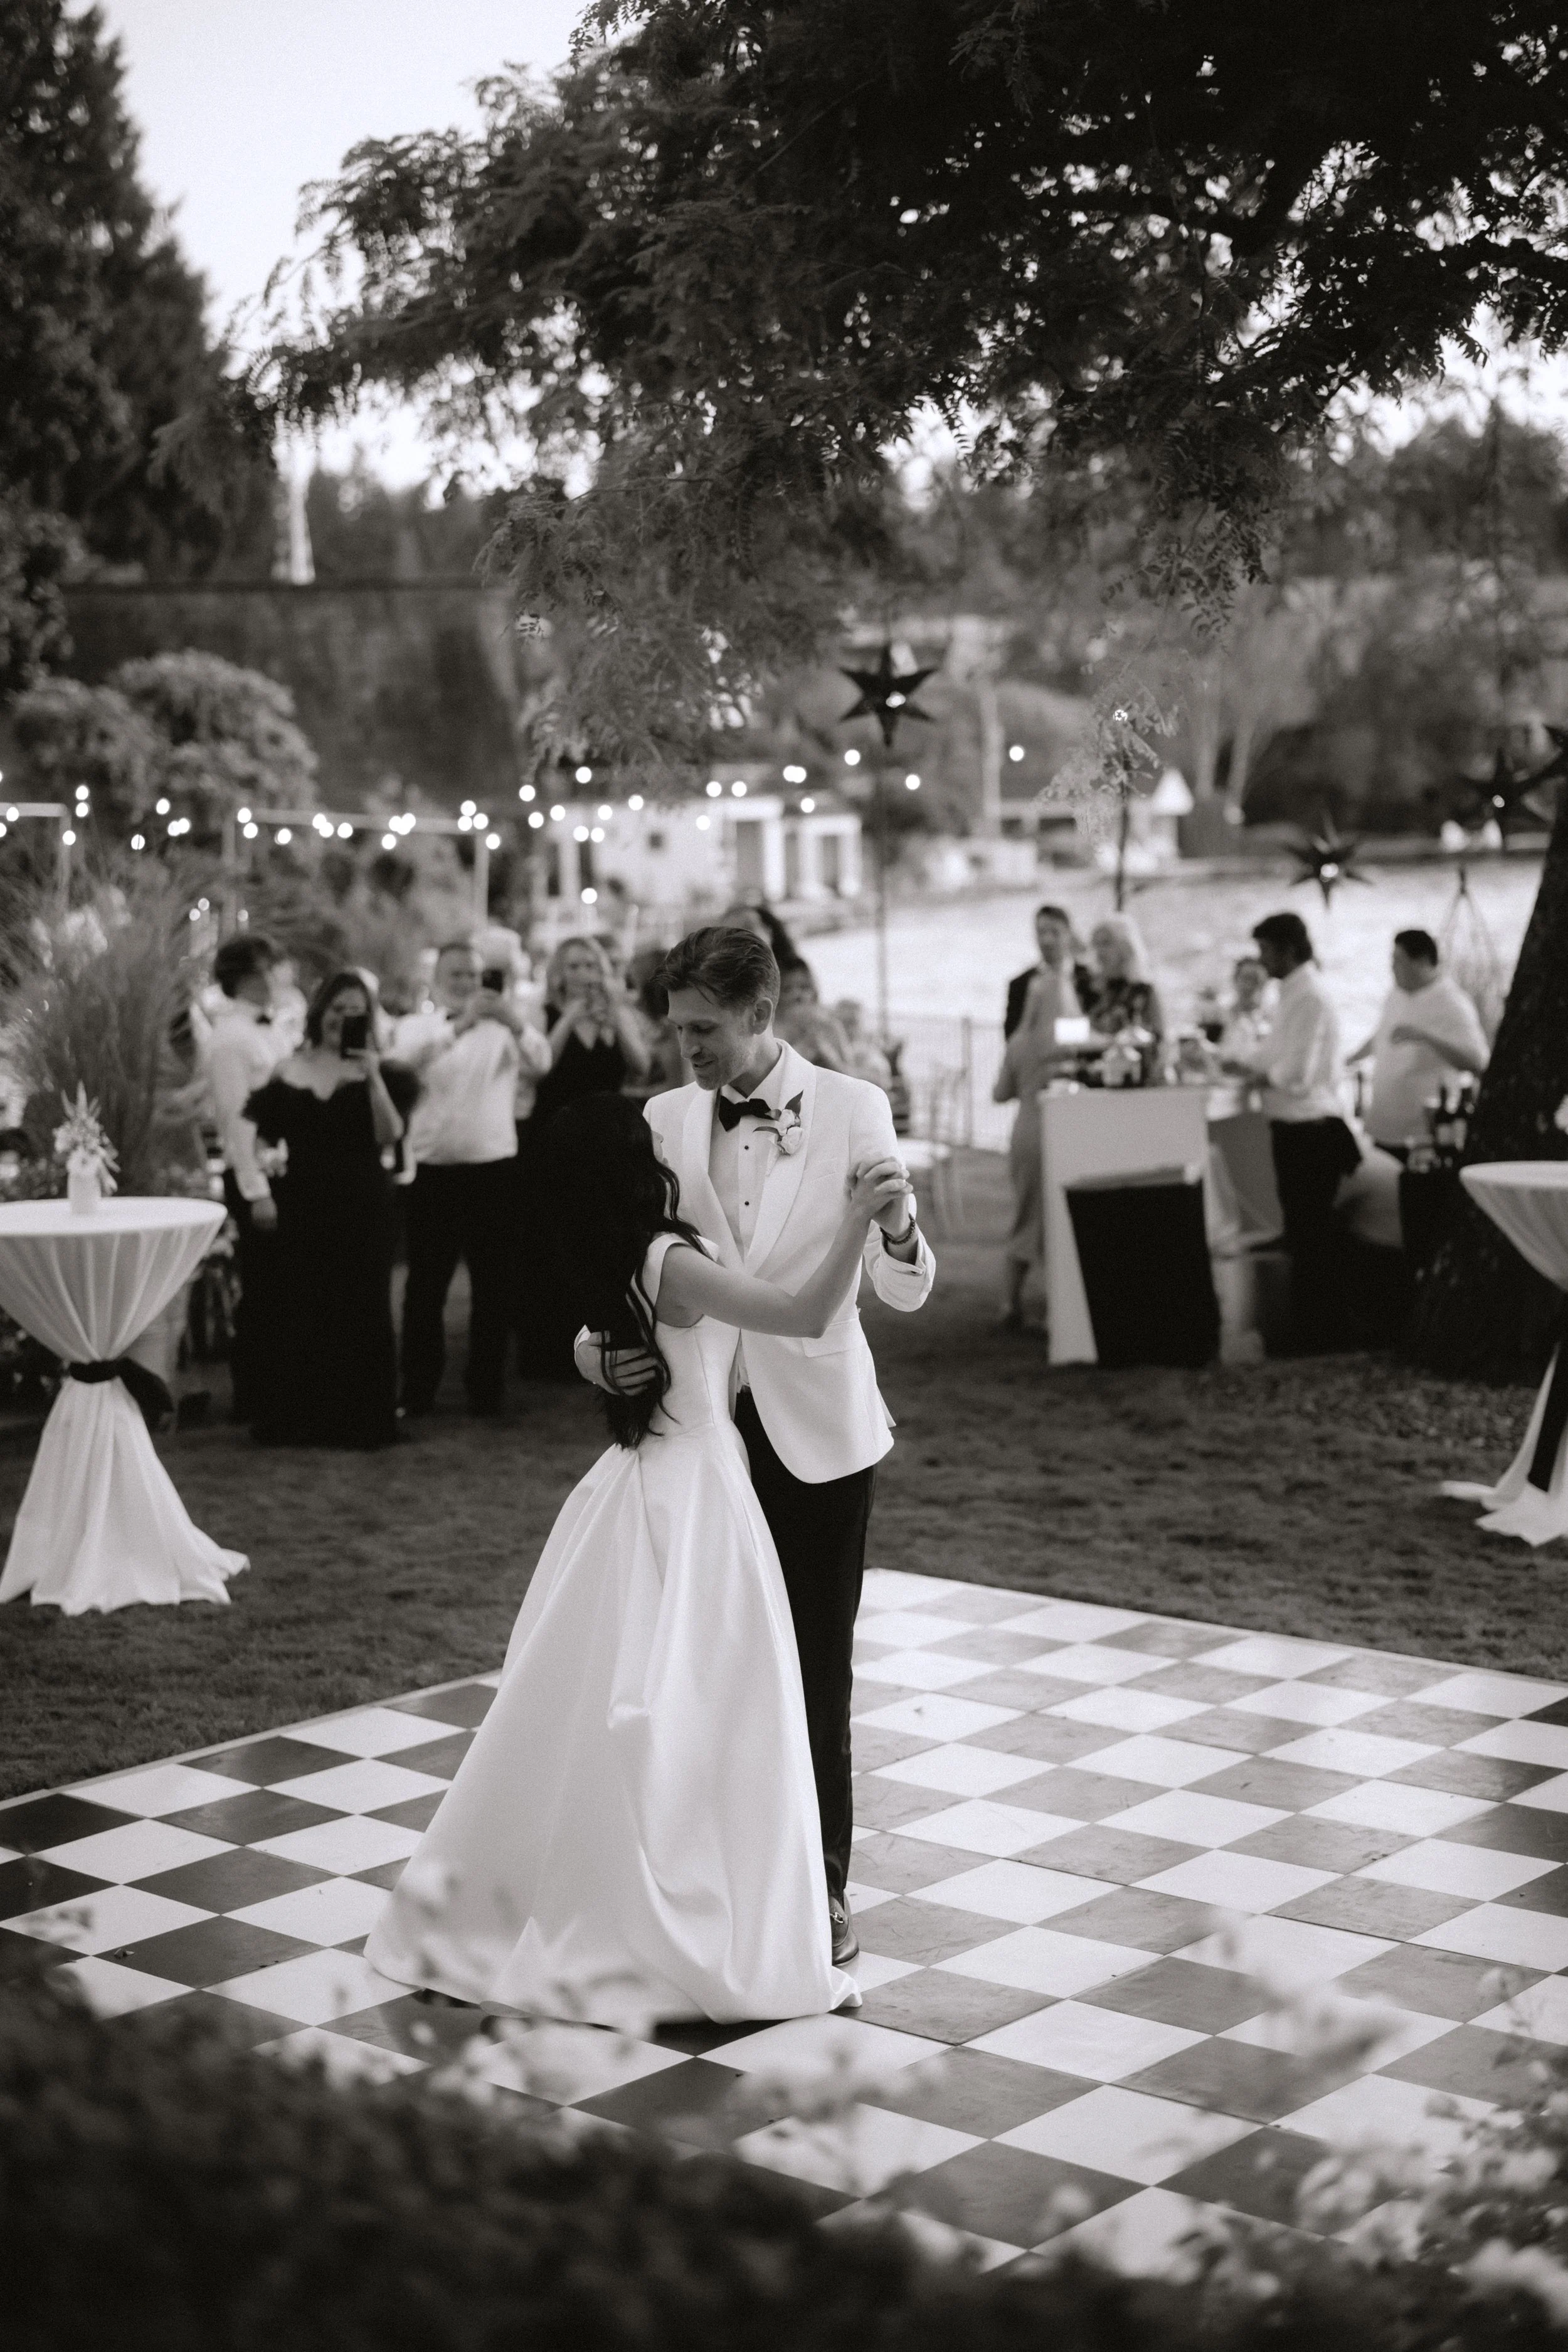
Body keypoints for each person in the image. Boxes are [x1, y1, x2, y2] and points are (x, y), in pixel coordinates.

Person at [366, 1094, 906, 2025]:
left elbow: (616, 1335)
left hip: (636, 1480)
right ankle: (686, 1902)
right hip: (699, 1492)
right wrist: (857, 1218)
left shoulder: (616, 1253)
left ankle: (630, 1878)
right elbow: (807, 1309)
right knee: (713, 1698)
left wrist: (592, 1351)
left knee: (626, 1695)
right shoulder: (673, 1262)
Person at [572, 927, 935, 1970]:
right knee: (701, 1667)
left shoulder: (857, 1108)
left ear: (762, 1015)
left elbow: (906, 1292)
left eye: (704, 1030)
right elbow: (623, 1277)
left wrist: (900, 1231)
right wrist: (597, 1356)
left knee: (816, 1670)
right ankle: (708, 1874)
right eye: (676, 1028)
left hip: (819, 1437)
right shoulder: (665, 1119)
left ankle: (820, 1886)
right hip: (696, 1444)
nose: (686, 1050)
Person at [242, 971, 418, 1448]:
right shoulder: (288, 1068)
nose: (345, 1018)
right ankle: (300, 1415)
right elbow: (263, 1136)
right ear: (322, 1012)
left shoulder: (382, 1072)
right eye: (338, 1009)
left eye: (355, 1010)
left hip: (362, 1202)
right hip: (301, 1201)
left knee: (363, 1307)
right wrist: (265, 1174)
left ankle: (362, 1418)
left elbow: (389, 1134)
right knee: (301, 1305)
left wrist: (371, 1072)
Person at [394, 940, 539, 1417]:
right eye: (456, 975)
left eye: (474, 976)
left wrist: (513, 1023)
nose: (467, 984)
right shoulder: (418, 1028)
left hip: (494, 1169)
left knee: (494, 1285)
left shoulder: (505, 1031)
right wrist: (462, 1026)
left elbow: (542, 1063)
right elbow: (401, 1069)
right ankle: (418, 1389)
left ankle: (487, 1390)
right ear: (437, 979)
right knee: (426, 1288)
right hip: (432, 1170)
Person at [1223, 911, 1361, 1351]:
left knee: (1311, 1235)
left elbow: (1298, 1073)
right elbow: (1272, 1052)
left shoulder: (1309, 996)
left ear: (1287, 949)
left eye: (1266, 950)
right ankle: (1309, 1330)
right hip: (1294, 1128)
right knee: (1302, 1231)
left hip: (1311, 1130)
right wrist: (1243, 1065)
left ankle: (1315, 1336)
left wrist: (1262, 1077)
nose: (1262, 961)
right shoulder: (1292, 994)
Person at [516, 936, 652, 1378]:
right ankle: (548, 1352)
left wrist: (617, 1016)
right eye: (574, 966)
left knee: (610, 1244)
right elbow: (541, 1066)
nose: (584, 974)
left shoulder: (615, 1013)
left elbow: (641, 1066)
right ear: (560, 973)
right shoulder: (544, 1013)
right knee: (554, 1245)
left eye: (591, 965)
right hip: (556, 1141)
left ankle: (610, 1342)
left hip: (609, 1145)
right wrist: (570, 1017)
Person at [202, 932, 285, 1425]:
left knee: (279, 1290)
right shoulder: (229, 1040)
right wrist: (257, 1192)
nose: (278, 976)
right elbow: (237, 1123)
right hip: (256, 1179)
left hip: (281, 1172)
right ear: (251, 975)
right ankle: (253, 1396)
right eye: (271, 968)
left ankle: (279, 1387)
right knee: (260, 1292)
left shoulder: (267, 1030)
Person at [1348, 929, 1489, 1160]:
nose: (1392, 968)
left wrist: (1427, 1037)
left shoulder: (1452, 1003)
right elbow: (1381, 1035)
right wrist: (1351, 1058)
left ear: (1422, 961)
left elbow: (1477, 1062)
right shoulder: (1396, 994)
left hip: (1422, 1135)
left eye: (1398, 961)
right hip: (1382, 1126)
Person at [993, 948, 1074, 1333]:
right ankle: (1057, 1307)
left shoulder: (1019, 1041)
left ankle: (1010, 1301)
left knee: (1025, 1217)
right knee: (1053, 1220)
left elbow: (998, 1093)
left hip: (1024, 1131)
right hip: (1057, 1130)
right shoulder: (1069, 1040)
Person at [1081, 914, 1165, 1043]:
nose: (1100, 951)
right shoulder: (1085, 988)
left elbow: (1159, 1038)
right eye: (1096, 944)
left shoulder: (1143, 991)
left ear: (1125, 945)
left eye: (1106, 943)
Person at [1005, 904, 1083, 1039]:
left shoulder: (1090, 978)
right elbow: (1012, 1036)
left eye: (1055, 932)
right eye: (1041, 932)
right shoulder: (1020, 984)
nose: (1047, 941)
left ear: (1069, 933)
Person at [775, 960, 855, 1074]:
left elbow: (850, 1076)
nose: (797, 995)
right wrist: (804, 1048)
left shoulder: (831, 1027)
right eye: (788, 989)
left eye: (804, 987)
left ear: (814, 991)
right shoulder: (771, 1031)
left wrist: (826, 1053)